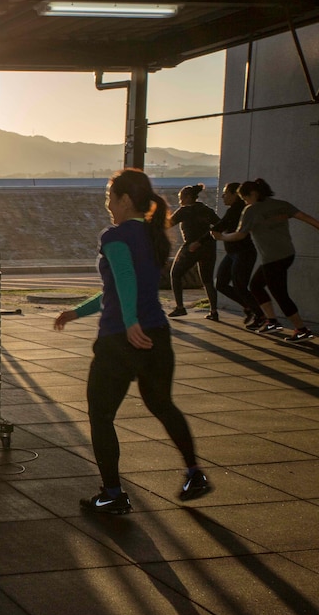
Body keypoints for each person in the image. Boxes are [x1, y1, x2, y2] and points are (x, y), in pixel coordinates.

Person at [55, 168, 210, 515]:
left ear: (125, 200)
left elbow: (124, 278)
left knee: (101, 415)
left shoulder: (115, 235)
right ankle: (194, 473)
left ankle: (111, 494)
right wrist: (77, 312)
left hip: (121, 341)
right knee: (162, 405)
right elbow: (118, 289)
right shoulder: (154, 237)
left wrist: (129, 324)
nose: (108, 204)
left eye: (111, 197)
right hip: (156, 335)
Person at [215, 178, 319, 342]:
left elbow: (240, 234)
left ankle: (301, 330)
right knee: (256, 285)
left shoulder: (251, 210)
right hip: (287, 254)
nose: (245, 202)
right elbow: (305, 217)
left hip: (273, 258)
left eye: (245, 198)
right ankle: (272, 321)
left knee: (280, 295)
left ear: (253, 194)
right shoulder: (281, 204)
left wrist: (222, 237)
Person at [166, 183, 220, 320]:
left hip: (191, 246)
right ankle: (214, 311)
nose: (180, 201)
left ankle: (180, 308)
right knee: (207, 280)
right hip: (209, 246)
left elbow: (167, 224)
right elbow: (220, 225)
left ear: (189, 197)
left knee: (176, 273)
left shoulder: (184, 211)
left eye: (181, 198)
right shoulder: (206, 209)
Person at [211, 182, 261, 327]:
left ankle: (260, 314)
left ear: (235, 194)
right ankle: (250, 308)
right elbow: (221, 225)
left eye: (226, 193)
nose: (222, 196)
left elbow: (221, 226)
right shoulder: (233, 209)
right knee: (220, 283)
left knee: (240, 285)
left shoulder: (239, 209)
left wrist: (202, 240)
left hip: (244, 253)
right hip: (232, 253)